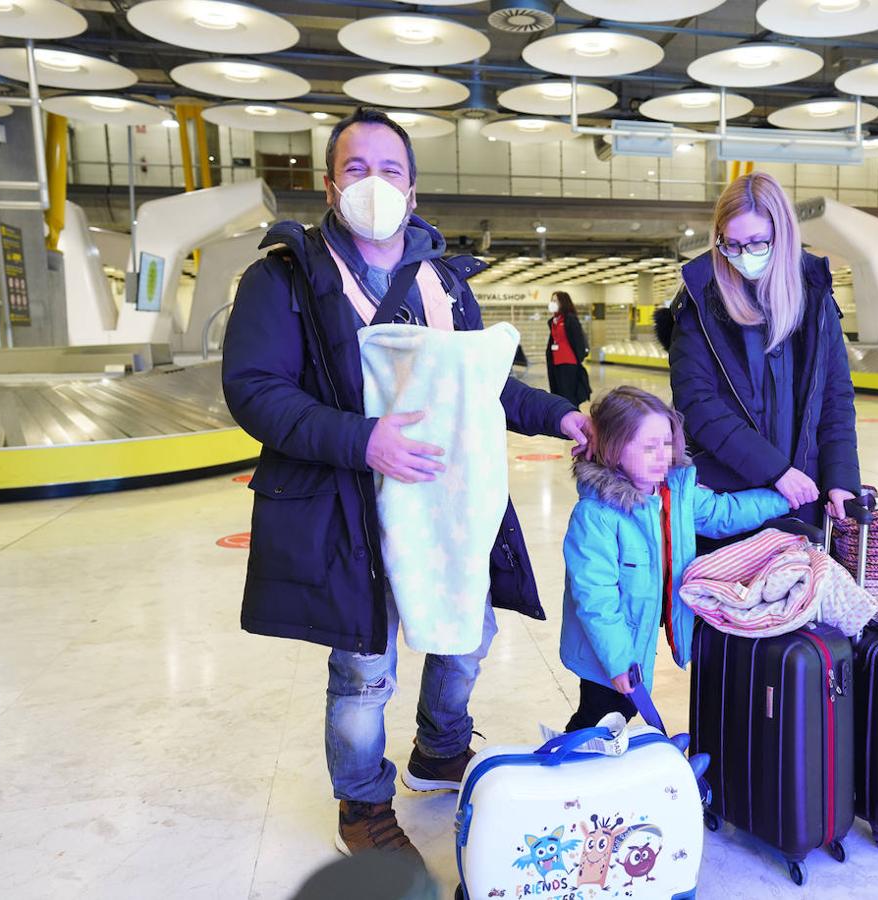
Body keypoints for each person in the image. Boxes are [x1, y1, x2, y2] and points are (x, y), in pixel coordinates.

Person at [221, 107, 590, 860]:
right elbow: (255, 389)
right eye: (356, 169)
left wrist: (562, 418)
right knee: (363, 666)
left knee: (467, 635)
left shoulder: (443, 282)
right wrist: (363, 440)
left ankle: (439, 749)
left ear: (414, 190)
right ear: (329, 184)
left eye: (390, 170)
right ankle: (362, 805)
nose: (374, 184)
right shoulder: (283, 278)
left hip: (446, 502)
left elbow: (485, 387)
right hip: (345, 504)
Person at [559, 386, 790, 731]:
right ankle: (571, 768)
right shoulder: (596, 516)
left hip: (637, 638)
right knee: (601, 714)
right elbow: (597, 600)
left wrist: (784, 499)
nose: (661, 456)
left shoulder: (673, 494)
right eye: (648, 447)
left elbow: (721, 513)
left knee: (620, 714)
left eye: (666, 444)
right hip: (605, 651)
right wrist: (620, 662)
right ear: (613, 448)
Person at [662, 173, 861, 534]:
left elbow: (835, 397)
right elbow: (697, 403)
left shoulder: (815, 297)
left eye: (756, 243)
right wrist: (775, 471)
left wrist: (841, 476)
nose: (742, 256)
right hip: (728, 499)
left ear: (782, 235)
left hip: (803, 494)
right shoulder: (699, 300)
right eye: (731, 245)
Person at [545, 290, 592, 406]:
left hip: (568, 362)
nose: (552, 303)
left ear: (562, 302)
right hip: (555, 362)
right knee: (558, 392)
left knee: (568, 394)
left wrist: (578, 359)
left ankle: (572, 414)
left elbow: (578, 339)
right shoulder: (553, 321)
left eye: (555, 300)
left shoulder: (570, 319)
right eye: (552, 300)